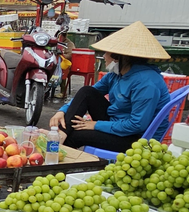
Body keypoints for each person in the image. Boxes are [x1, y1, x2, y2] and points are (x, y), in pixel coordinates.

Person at [49, 21, 171, 153]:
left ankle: (56, 159)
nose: (104, 57)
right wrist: (63, 110)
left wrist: (96, 125)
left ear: (118, 57)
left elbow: (137, 125)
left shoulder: (146, 83)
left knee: (77, 136)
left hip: (137, 138)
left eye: (106, 53)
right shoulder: (116, 75)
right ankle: (61, 135)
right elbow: (85, 96)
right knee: (87, 92)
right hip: (117, 123)